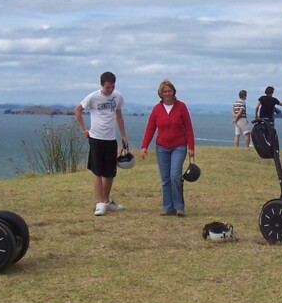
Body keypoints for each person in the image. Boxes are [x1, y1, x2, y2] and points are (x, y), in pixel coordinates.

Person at [75, 71, 129, 216]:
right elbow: (78, 110)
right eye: (107, 87)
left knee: (110, 172)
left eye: (112, 87)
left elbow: (118, 115)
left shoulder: (117, 97)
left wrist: (123, 135)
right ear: (101, 85)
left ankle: (106, 201)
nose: (110, 90)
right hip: (96, 138)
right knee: (97, 171)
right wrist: (85, 129)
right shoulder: (93, 97)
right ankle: (100, 202)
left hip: (111, 139)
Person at [140, 80, 195, 217]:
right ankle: (168, 207)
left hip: (179, 146)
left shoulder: (181, 107)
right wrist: (144, 146)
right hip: (162, 147)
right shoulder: (157, 109)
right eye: (165, 91)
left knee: (175, 175)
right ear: (161, 93)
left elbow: (188, 128)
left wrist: (191, 147)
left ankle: (179, 206)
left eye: (169, 91)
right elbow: (150, 128)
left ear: (173, 92)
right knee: (165, 178)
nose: (167, 93)